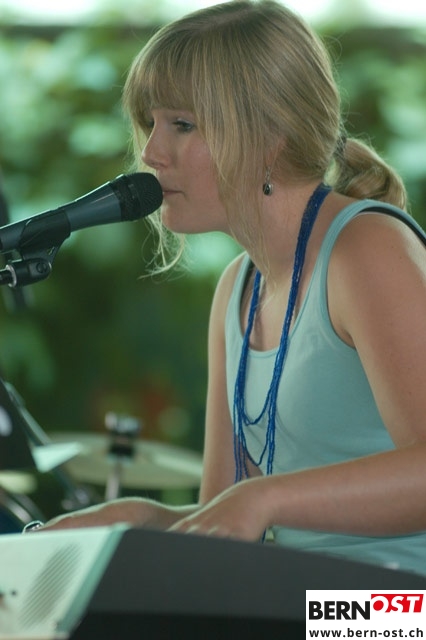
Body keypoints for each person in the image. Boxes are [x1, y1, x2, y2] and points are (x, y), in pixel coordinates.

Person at [37, 0, 426, 576]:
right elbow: (225, 524)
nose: (150, 153)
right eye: (150, 123)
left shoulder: (365, 249)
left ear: (269, 136)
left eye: (182, 125)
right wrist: (138, 523)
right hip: (299, 603)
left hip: (398, 610)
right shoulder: (237, 289)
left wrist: (265, 497)